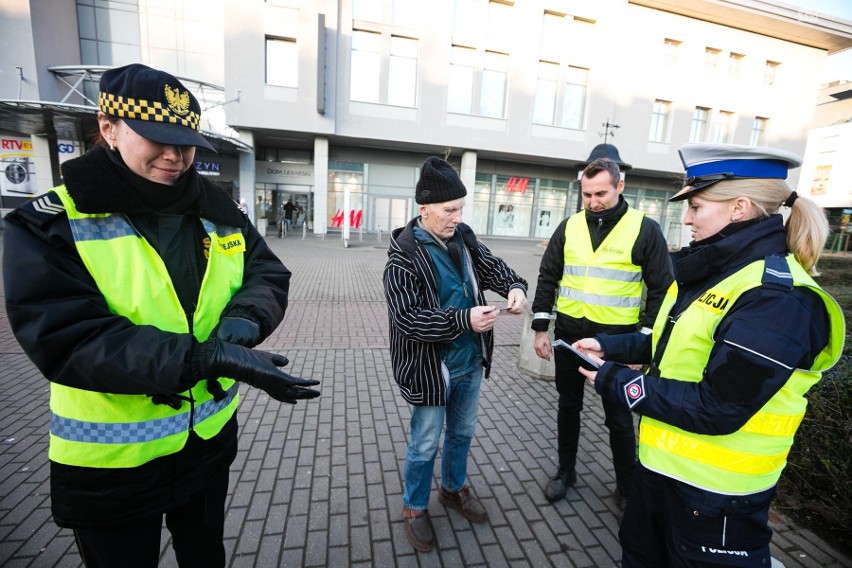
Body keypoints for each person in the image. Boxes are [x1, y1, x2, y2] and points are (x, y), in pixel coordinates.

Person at [2, 63, 321, 567]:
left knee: (205, 557)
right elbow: (68, 339)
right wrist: (204, 358)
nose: (175, 156)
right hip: (113, 464)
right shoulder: (51, 224)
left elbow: (267, 273)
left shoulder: (217, 207)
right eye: (155, 138)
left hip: (207, 442)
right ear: (108, 128)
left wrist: (244, 321)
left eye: (186, 141)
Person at [574, 143, 845, 566]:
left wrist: (618, 383)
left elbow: (719, 406)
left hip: (716, 500)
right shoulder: (717, 272)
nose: (686, 218)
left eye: (696, 206)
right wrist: (611, 346)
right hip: (661, 473)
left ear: (738, 207)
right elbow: (676, 341)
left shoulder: (776, 299)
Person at [383, 156, 529, 552]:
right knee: (425, 443)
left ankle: (452, 489)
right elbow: (408, 320)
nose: (457, 216)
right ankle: (414, 507)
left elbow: (491, 266)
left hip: (468, 362)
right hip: (431, 369)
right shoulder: (403, 257)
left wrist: (514, 286)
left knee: (462, 433)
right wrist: (464, 318)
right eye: (450, 210)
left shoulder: (462, 236)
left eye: (461, 208)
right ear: (424, 208)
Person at [530, 157, 673, 508]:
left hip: (615, 342)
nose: (594, 202)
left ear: (620, 187)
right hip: (568, 334)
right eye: (587, 194)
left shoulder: (645, 229)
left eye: (601, 194)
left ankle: (626, 488)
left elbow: (662, 290)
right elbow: (548, 277)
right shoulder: (569, 226)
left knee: (619, 416)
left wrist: (643, 347)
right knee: (568, 405)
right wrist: (540, 328)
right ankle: (566, 472)